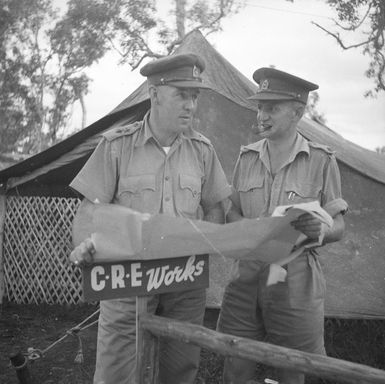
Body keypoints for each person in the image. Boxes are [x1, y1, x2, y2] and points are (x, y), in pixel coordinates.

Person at [69, 53, 232, 384]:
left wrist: (208, 233)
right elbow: (89, 211)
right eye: (181, 95)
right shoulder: (117, 146)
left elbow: (217, 206)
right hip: (128, 280)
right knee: (117, 372)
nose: (190, 105)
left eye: (195, 96)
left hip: (183, 280)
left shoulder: (203, 150)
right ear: (155, 93)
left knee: (180, 370)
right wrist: (83, 244)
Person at [217, 67, 348, 384]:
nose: (262, 115)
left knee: (292, 368)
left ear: (298, 112)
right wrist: (248, 232)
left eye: (272, 107)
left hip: (295, 277)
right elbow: (231, 210)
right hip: (247, 274)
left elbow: (339, 224)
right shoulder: (246, 158)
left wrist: (319, 231)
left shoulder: (321, 160)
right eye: (260, 106)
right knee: (236, 362)